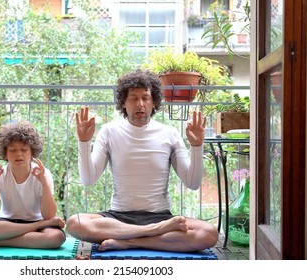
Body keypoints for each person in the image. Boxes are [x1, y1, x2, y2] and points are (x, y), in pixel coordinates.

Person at [66, 69, 218, 252]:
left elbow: (192, 183)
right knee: (75, 223)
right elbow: (88, 180)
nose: (140, 104)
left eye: (145, 98)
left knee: (209, 233)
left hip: (160, 216)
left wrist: (197, 146)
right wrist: (83, 142)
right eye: (133, 98)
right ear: (123, 102)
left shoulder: (169, 133)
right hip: (119, 218)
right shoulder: (109, 131)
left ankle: (130, 241)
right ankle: (151, 233)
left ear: (154, 102)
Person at [0, 120, 66, 248]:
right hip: (8, 224)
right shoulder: (0, 174)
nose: (18, 154)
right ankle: (33, 230)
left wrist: (44, 183)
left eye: (24, 150)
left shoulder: (43, 173)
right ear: (5, 153)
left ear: (32, 152)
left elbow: (48, 215)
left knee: (56, 237)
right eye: (12, 150)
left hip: (36, 221)